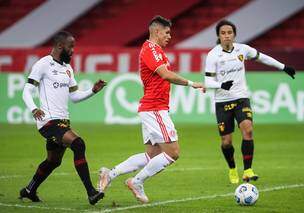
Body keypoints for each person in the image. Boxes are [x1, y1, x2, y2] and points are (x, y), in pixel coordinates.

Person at [98, 15, 205, 203]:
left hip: (151, 108)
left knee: (152, 155)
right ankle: (136, 181)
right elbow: (165, 74)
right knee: (173, 153)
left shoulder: (155, 51)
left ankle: (110, 174)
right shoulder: (151, 49)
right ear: (156, 31)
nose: (169, 36)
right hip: (155, 108)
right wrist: (191, 83)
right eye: (166, 32)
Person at [20, 31, 106, 205]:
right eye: (71, 46)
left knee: (53, 161)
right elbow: (26, 91)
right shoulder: (43, 64)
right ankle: (91, 192)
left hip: (63, 122)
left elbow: (74, 97)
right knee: (78, 144)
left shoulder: (67, 69)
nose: (73, 50)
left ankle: (29, 190)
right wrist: (34, 108)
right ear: (60, 46)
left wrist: (93, 91)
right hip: (48, 122)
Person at [204, 20, 296, 184]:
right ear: (219, 36)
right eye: (223, 33)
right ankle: (232, 168)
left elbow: (262, 58)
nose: (226, 36)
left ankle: (247, 170)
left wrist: (283, 67)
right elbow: (207, 82)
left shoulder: (243, 49)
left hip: (241, 98)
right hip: (222, 102)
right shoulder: (213, 55)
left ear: (234, 34)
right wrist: (220, 85)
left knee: (248, 130)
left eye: (229, 32)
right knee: (226, 142)